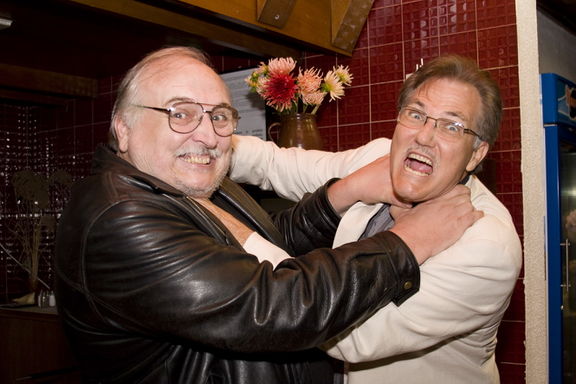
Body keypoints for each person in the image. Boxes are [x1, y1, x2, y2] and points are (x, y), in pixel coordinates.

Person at [54, 47, 481, 384]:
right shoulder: (119, 218)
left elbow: (268, 245)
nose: (206, 135)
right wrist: (409, 242)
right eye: (180, 113)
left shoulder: (194, 186)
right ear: (123, 128)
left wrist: (346, 192)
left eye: (219, 116)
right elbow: (272, 305)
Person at [230, 55, 523, 383]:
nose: (424, 136)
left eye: (451, 126)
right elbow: (276, 164)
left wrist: (234, 234)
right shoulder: (378, 159)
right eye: (416, 114)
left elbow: (354, 338)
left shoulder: (486, 245)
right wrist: (202, 142)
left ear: (477, 153)